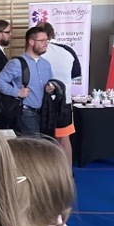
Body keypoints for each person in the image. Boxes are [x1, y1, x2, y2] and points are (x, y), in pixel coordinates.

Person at [0, 26, 55, 136]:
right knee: (35, 144)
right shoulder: (16, 63)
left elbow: (49, 84)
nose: (45, 44)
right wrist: (17, 92)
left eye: (46, 40)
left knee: (43, 143)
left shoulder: (46, 64)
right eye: (42, 40)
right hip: (25, 112)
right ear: (31, 42)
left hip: (44, 113)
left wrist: (49, 89)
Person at [41, 22, 83, 164]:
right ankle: (67, 172)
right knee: (64, 138)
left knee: (42, 140)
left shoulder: (37, 52)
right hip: (64, 101)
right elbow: (76, 74)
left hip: (42, 102)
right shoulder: (68, 51)